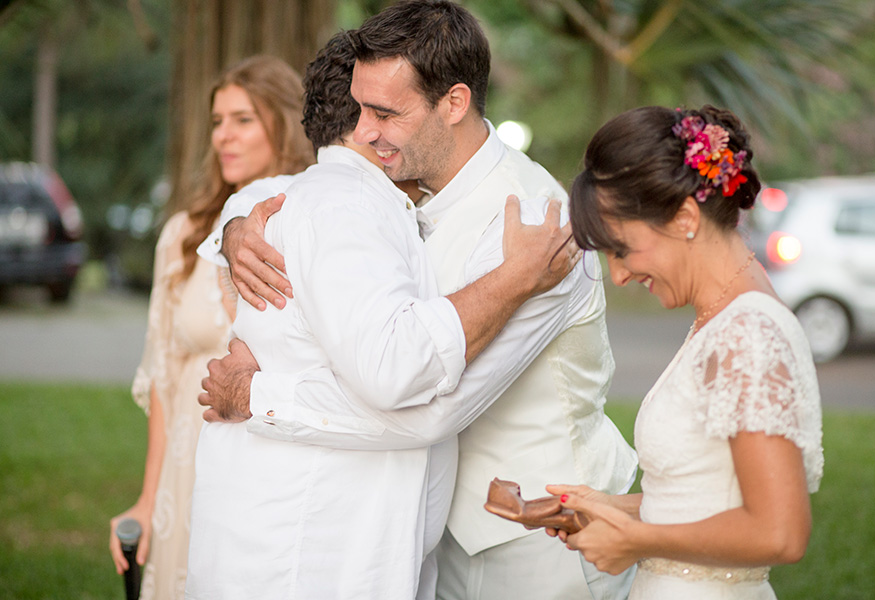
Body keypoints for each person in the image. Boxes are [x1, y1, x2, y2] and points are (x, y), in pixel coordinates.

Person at [204, 2, 638, 599]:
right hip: (432, 540)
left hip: (540, 541)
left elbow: (425, 411)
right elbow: (295, 188)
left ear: (453, 103)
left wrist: (258, 395)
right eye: (359, 108)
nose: (364, 131)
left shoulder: (538, 231)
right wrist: (233, 232)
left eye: (385, 112)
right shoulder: (395, 186)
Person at [546, 105, 824, 600]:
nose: (619, 276)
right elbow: (707, 495)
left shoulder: (748, 334)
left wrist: (636, 541)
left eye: (622, 249)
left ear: (684, 217)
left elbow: (780, 532)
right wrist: (611, 509)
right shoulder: (722, 317)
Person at [107, 55, 314, 599]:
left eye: (243, 119)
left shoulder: (303, 228)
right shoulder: (180, 235)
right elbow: (162, 376)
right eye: (218, 120)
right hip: (185, 465)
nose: (224, 135)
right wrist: (149, 500)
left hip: (260, 459)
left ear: (284, 123)